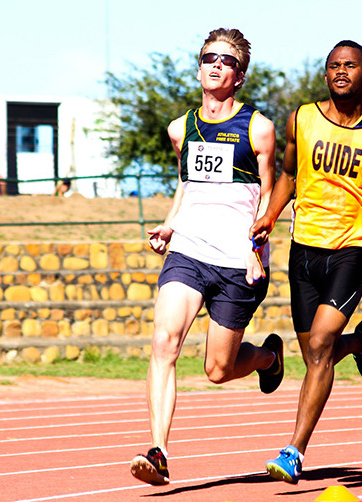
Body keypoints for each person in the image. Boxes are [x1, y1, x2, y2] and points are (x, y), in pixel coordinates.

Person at [250, 40, 362, 484]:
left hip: (351, 250)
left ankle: (294, 451)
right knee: (315, 357)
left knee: (321, 344)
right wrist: (270, 215)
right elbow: (288, 174)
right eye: (334, 65)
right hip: (303, 249)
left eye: (351, 65)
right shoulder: (301, 119)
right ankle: (361, 343)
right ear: (326, 74)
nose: (342, 71)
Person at [129, 28, 283, 486]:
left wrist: (256, 250)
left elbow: (268, 194)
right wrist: (170, 223)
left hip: (238, 259)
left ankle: (268, 358)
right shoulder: (180, 128)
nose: (216, 65)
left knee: (217, 370)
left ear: (240, 75)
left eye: (227, 60)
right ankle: (159, 451)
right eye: (209, 57)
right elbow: (187, 183)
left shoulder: (258, 128)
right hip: (189, 251)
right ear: (198, 67)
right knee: (163, 343)